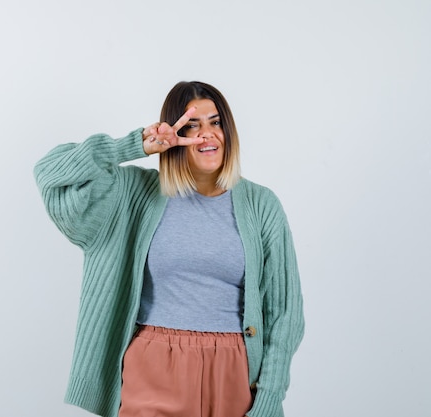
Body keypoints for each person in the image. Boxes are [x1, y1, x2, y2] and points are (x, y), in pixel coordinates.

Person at [34, 81, 304, 417]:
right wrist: (134, 145)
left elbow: (285, 315)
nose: (207, 134)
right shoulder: (135, 195)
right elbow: (50, 173)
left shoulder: (261, 205)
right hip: (155, 365)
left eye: (215, 122)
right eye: (192, 125)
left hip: (234, 371)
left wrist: (268, 399)